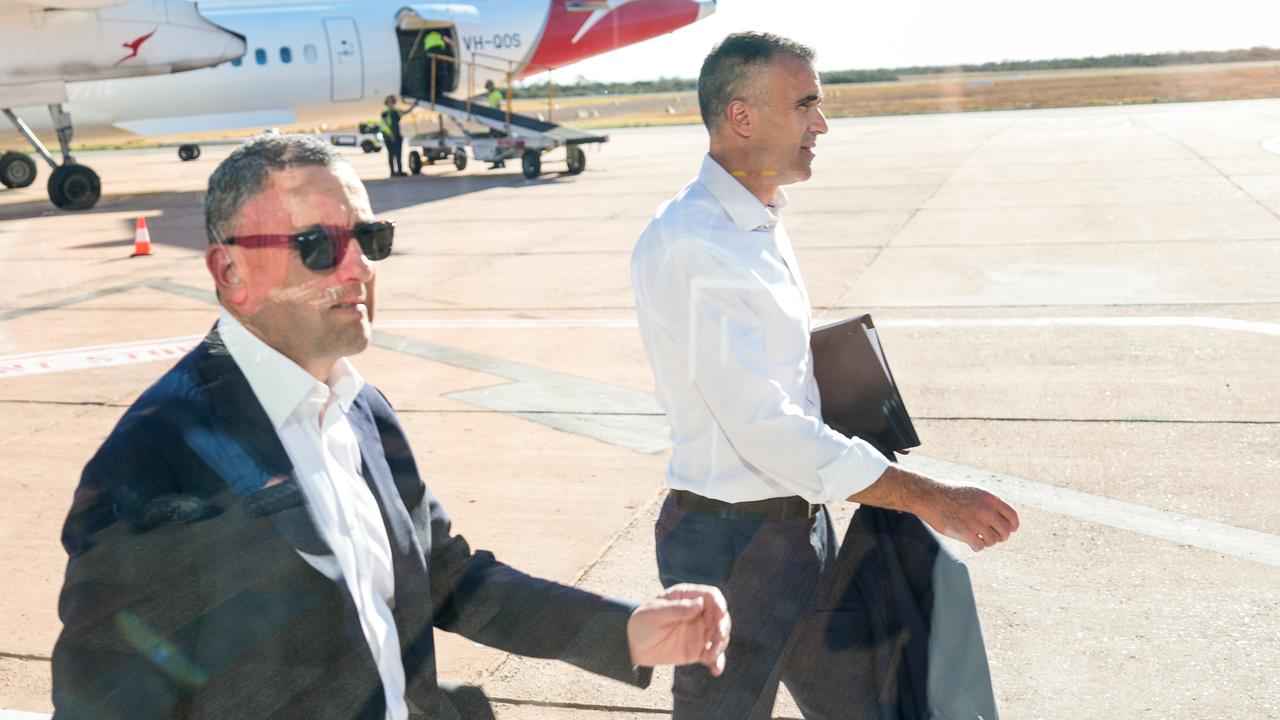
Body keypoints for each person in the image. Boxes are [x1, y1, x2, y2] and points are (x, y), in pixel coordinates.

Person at [51, 134, 730, 720]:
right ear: (231, 272)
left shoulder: (360, 407)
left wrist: (628, 631)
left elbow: (445, 577)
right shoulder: (156, 456)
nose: (359, 268)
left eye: (371, 239)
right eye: (319, 246)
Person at [630, 32, 1019, 719]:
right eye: (805, 104)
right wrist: (930, 498)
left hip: (801, 531)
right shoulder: (696, 241)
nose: (822, 123)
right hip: (732, 550)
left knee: (870, 708)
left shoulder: (758, 221)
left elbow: (768, 377)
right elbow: (764, 428)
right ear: (742, 117)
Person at [380, 95, 409, 177]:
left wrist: (413, 106)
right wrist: (391, 135)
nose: (390, 103)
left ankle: (400, 171)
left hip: (397, 136)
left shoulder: (397, 111)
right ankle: (392, 172)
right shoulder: (385, 113)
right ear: (386, 103)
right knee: (391, 154)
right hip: (389, 137)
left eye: (392, 102)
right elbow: (385, 126)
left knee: (399, 154)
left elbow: (406, 112)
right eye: (389, 102)